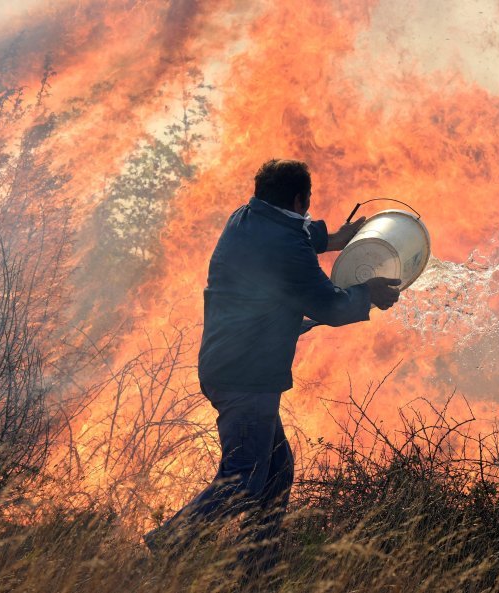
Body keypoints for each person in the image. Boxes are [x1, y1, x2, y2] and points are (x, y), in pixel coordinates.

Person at [143, 159, 400, 567]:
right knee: (244, 481)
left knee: (277, 473)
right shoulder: (287, 247)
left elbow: (288, 235)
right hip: (247, 375)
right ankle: (167, 545)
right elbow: (330, 306)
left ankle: (256, 565)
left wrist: (334, 239)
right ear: (301, 199)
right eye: (307, 206)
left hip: (229, 365)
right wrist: (367, 294)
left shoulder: (244, 218)